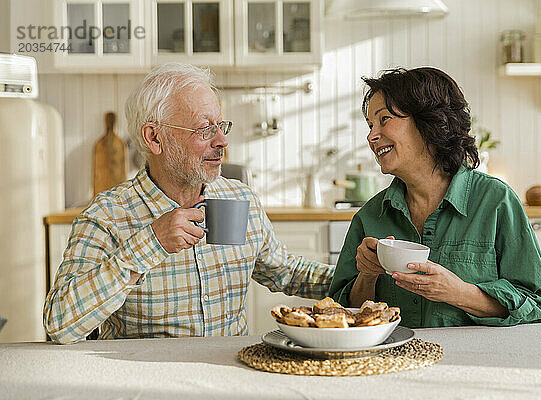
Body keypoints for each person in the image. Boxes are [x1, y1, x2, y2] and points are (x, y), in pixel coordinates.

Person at [44, 63, 333, 344]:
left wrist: (366, 276)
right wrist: (150, 244)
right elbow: (59, 325)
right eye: (205, 129)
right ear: (155, 138)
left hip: (230, 375)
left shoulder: (241, 199)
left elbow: (287, 272)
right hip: (144, 382)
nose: (222, 141)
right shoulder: (108, 215)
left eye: (221, 126)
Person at [329, 67, 541, 328]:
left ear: (429, 122)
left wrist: (460, 293)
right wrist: (367, 276)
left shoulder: (496, 201)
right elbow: (339, 317)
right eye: (371, 125)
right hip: (394, 365)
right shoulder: (370, 217)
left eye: (384, 120)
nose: (371, 136)